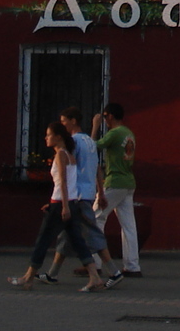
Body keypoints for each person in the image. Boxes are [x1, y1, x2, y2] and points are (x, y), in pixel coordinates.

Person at [8, 122, 105, 292]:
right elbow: (68, 183)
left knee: (43, 240)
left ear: (58, 136)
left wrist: (64, 206)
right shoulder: (70, 155)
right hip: (70, 203)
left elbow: (64, 182)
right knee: (78, 241)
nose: (46, 138)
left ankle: (28, 278)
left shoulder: (61, 155)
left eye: (49, 134)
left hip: (61, 205)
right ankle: (95, 277)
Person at [47, 106, 122, 286]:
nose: (62, 125)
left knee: (91, 232)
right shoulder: (89, 141)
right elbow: (96, 167)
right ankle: (52, 273)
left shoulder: (73, 142)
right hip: (86, 193)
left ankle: (114, 271)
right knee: (67, 234)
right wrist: (100, 192)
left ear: (73, 121)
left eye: (64, 121)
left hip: (77, 195)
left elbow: (69, 170)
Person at [91, 102, 140, 277]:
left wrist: (94, 127)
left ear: (110, 116)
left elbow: (92, 147)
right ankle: (132, 265)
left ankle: (94, 264)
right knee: (129, 226)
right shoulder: (129, 133)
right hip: (128, 182)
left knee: (96, 218)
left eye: (104, 117)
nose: (104, 120)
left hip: (115, 181)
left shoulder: (114, 133)